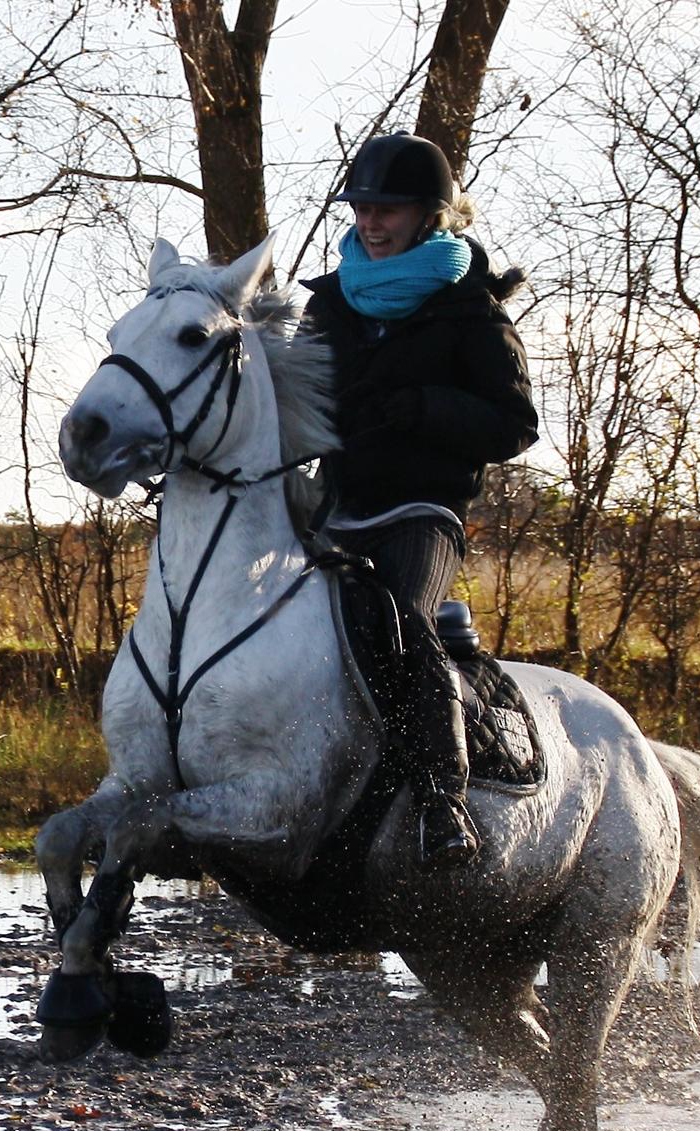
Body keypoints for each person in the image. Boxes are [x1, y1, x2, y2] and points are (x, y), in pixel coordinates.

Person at [302, 131, 539, 869]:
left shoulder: (470, 308)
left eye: (388, 210)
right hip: (336, 506)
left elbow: (515, 424)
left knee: (403, 617)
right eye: (362, 209)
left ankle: (443, 802)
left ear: (429, 216)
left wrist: (424, 408)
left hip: (421, 512)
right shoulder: (330, 304)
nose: (371, 223)